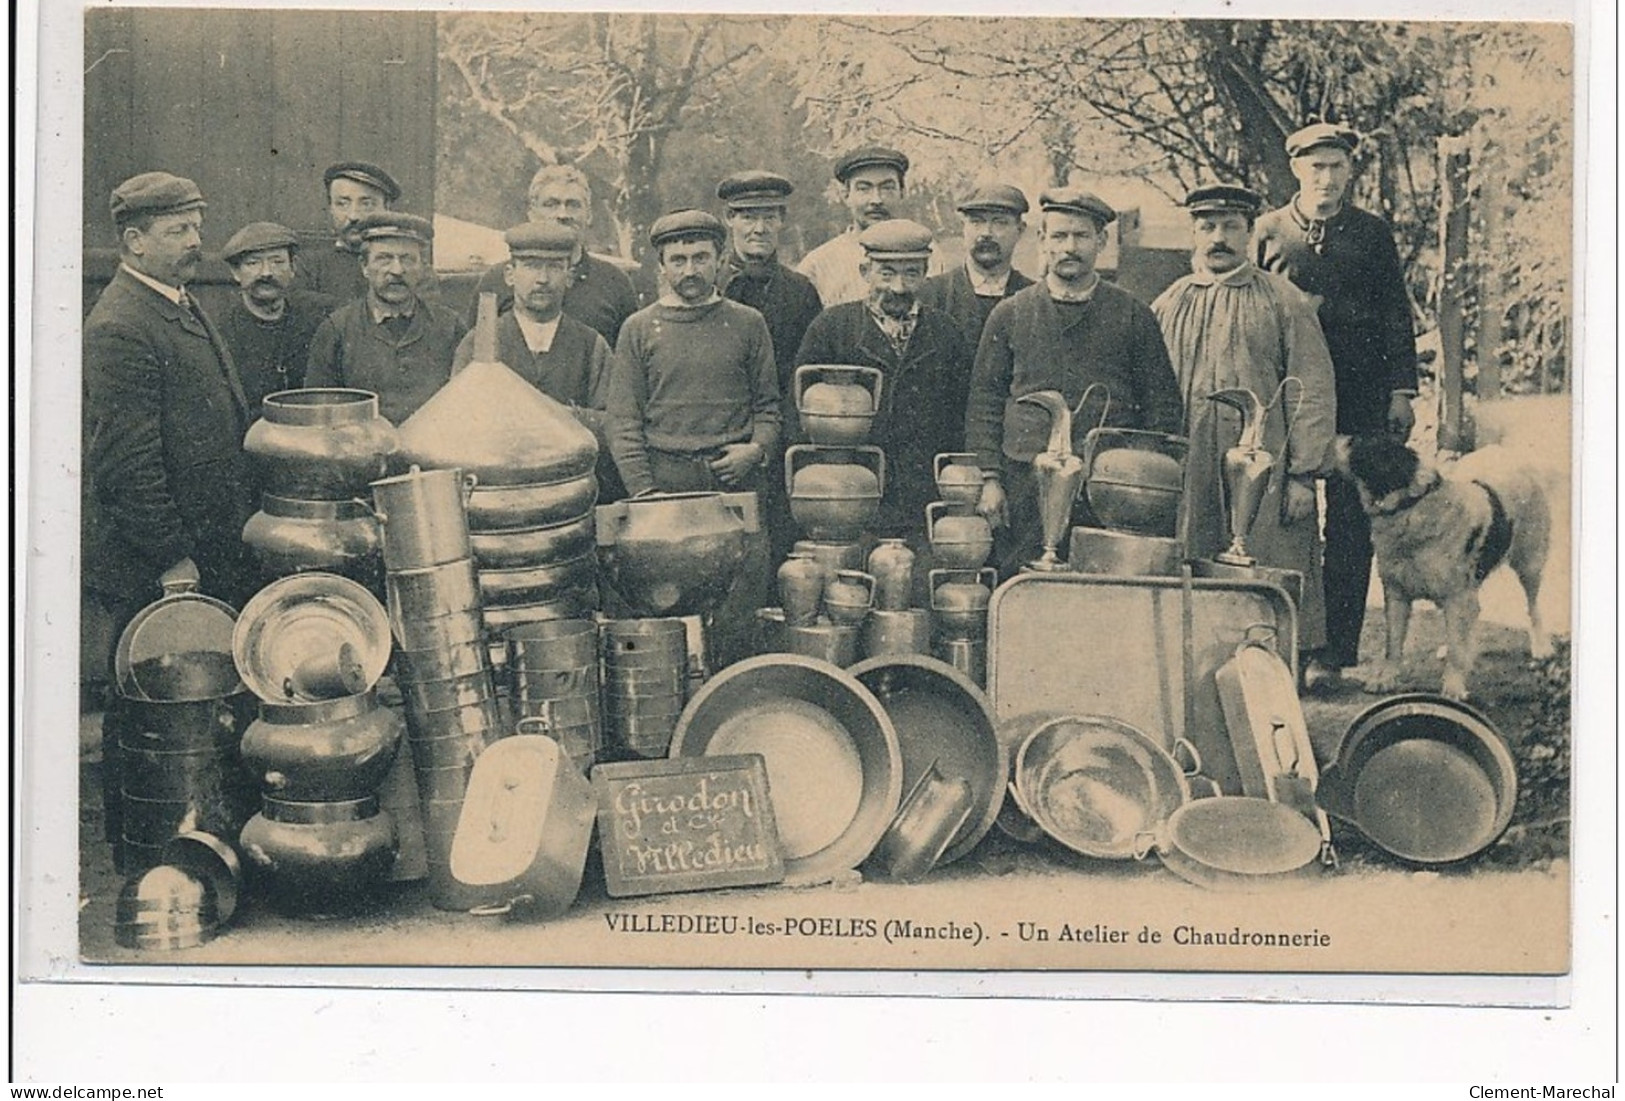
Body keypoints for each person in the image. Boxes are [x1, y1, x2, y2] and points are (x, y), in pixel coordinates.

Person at [1255, 122, 1420, 688]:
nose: (1326, 178)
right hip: (1291, 401)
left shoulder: (1372, 234)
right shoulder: (1268, 231)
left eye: (1336, 167)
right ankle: (1286, 645)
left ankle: (1334, 655)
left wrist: (1402, 388)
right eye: (1315, 167)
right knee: (1285, 517)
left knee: (1352, 526)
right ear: (1296, 170)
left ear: (1350, 172)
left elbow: (1397, 314)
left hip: (1363, 397)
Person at [1152, 184, 1338, 652]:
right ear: (1193, 233)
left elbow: (1311, 387)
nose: (1219, 237)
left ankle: (1274, 688)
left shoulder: (1283, 300)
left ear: (1249, 232)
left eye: (1231, 227)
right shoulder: (1168, 303)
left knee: (1265, 582)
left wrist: (1303, 475)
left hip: (1266, 475)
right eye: (1208, 226)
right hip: (1188, 470)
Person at [966, 187, 1184, 577]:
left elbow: (1163, 407)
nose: (1070, 247)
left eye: (1081, 236)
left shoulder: (1134, 315)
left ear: (1102, 241)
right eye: (1060, 236)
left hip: (1107, 490)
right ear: (1042, 241)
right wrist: (989, 479)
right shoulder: (1010, 314)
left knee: (1101, 600)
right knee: (1024, 588)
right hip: (1025, 485)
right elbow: (984, 402)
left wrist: (1137, 478)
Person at [83, 172, 257, 654]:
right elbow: (126, 466)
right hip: (163, 565)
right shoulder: (120, 325)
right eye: (178, 230)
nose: (196, 241)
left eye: (196, 227)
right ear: (135, 242)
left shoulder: (174, 299)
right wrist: (171, 558)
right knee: (155, 701)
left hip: (205, 543)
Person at [605, 210, 779, 665]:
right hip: (666, 487)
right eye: (677, 259)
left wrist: (755, 450)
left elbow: (770, 409)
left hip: (735, 487)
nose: (689, 270)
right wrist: (647, 494)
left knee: (739, 617)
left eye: (700, 257)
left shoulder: (747, 323)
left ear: (721, 259)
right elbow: (622, 422)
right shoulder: (639, 329)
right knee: (665, 618)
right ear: (660, 266)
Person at [793, 219, 975, 564]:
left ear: (926, 274)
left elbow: (960, 420)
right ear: (865, 271)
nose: (899, 286)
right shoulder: (832, 328)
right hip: (848, 499)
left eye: (911, 273)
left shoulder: (946, 332)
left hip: (922, 500)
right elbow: (799, 413)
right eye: (886, 273)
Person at [453, 221, 619, 498]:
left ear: (569, 276)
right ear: (510, 274)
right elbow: (457, 425)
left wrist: (566, 416)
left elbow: (614, 424)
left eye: (554, 267)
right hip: (497, 494)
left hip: (570, 493)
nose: (543, 279)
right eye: (531, 265)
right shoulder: (478, 344)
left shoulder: (592, 346)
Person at [715, 169, 824, 563]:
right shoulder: (706, 285)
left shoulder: (800, 293)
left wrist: (769, 447)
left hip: (775, 455)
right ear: (729, 219)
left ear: (781, 220)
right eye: (747, 216)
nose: (758, 228)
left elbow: (806, 378)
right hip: (715, 453)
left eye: (768, 216)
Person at [305, 213, 467, 425]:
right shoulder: (336, 330)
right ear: (364, 266)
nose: (397, 270)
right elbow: (320, 416)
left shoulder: (450, 327)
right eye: (384, 259)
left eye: (408, 259)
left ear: (422, 267)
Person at [465, 164, 641, 347]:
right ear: (532, 213)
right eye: (551, 204)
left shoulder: (615, 282)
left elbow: (627, 362)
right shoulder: (496, 280)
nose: (563, 214)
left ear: (589, 215)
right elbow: (474, 355)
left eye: (573, 205)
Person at [797, 145, 944, 306]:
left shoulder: (930, 254)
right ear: (846, 195)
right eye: (864, 189)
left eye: (887, 188)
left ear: (902, 192)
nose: (876, 200)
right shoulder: (818, 265)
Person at [215, 221, 338, 412]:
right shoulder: (220, 333)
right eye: (253, 263)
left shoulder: (319, 317)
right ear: (236, 273)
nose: (266, 272)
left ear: (293, 267)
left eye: (277, 262)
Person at [919, 183, 1035, 349]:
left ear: (1020, 230)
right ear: (963, 228)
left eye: (1000, 223)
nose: (986, 233)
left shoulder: (1034, 297)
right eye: (976, 222)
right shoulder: (931, 293)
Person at [295, 161, 401, 303]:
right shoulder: (308, 267)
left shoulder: (406, 266)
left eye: (366, 204)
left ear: (387, 208)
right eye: (343, 204)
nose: (353, 216)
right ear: (331, 209)